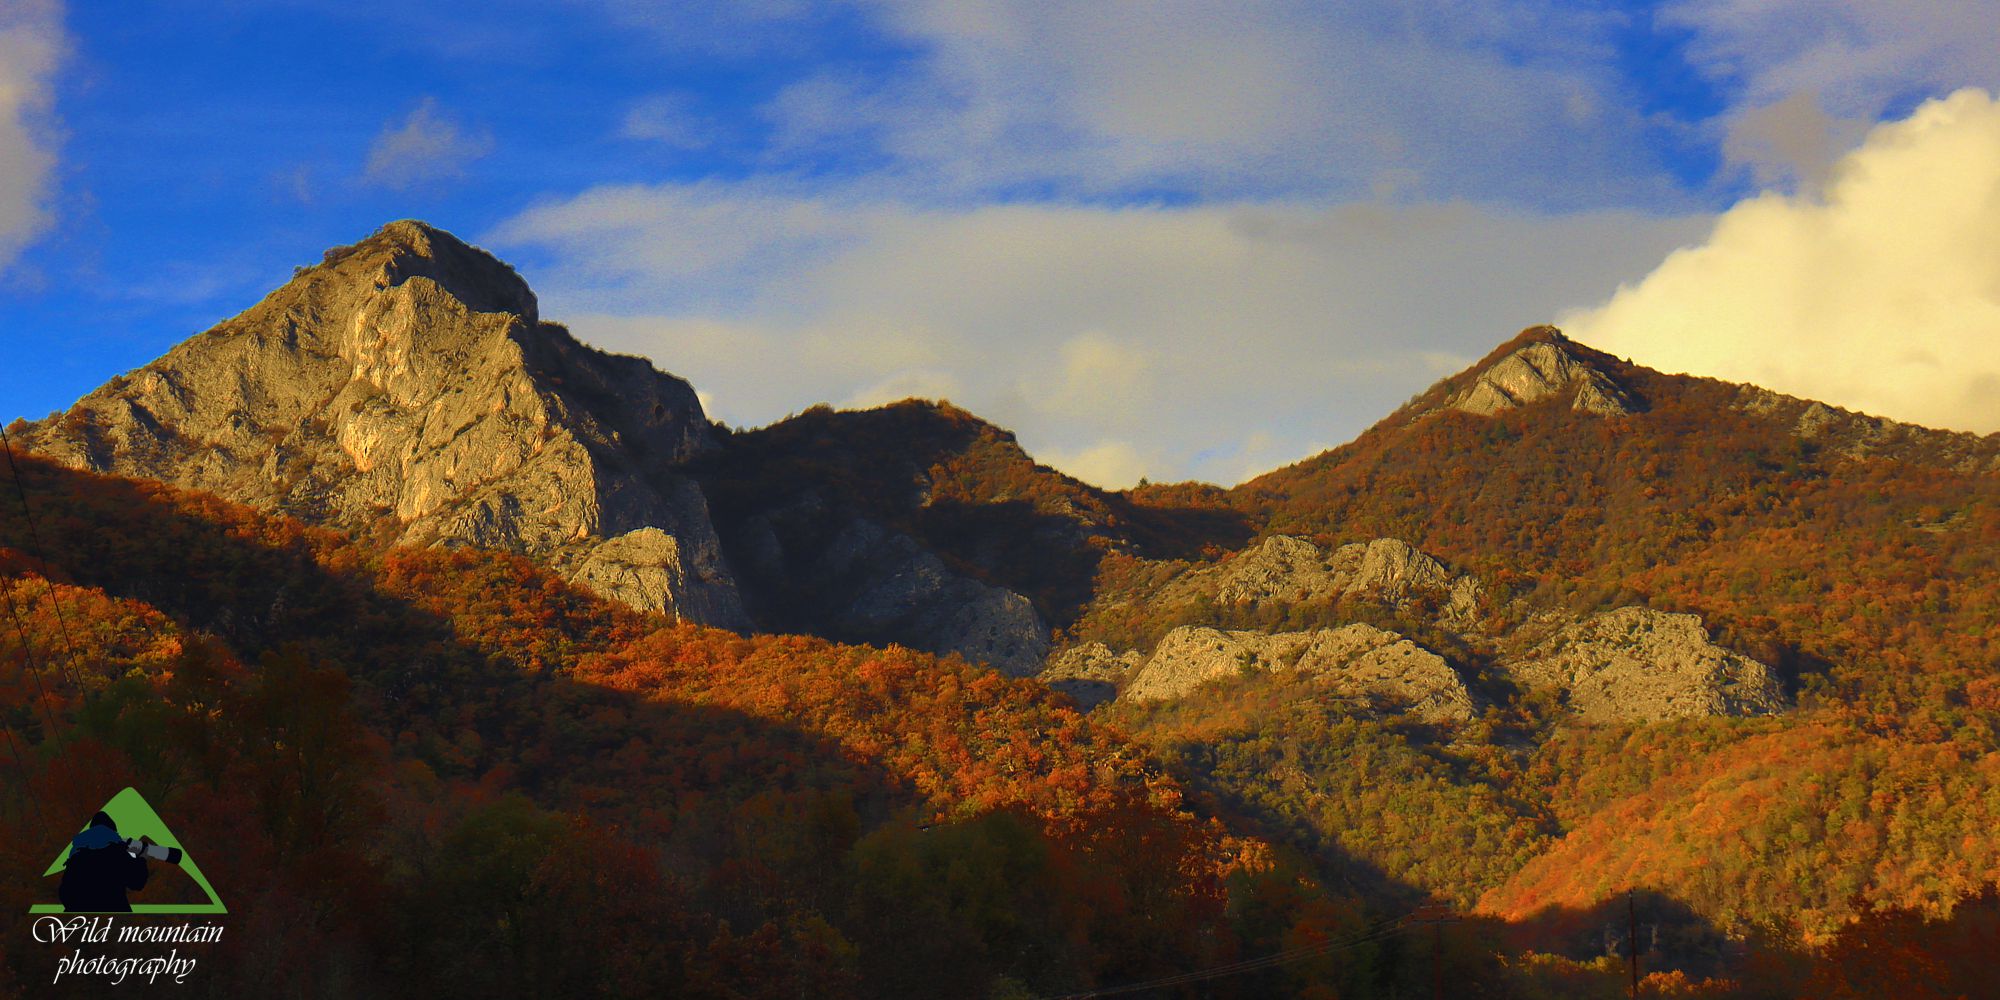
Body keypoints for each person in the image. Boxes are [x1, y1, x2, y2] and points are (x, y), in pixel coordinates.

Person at [57, 811, 149, 912]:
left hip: (80, 919)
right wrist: (142, 858)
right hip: (113, 915)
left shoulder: (77, 854)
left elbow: (65, 893)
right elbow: (137, 882)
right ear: (113, 831)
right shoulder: (117, 852)